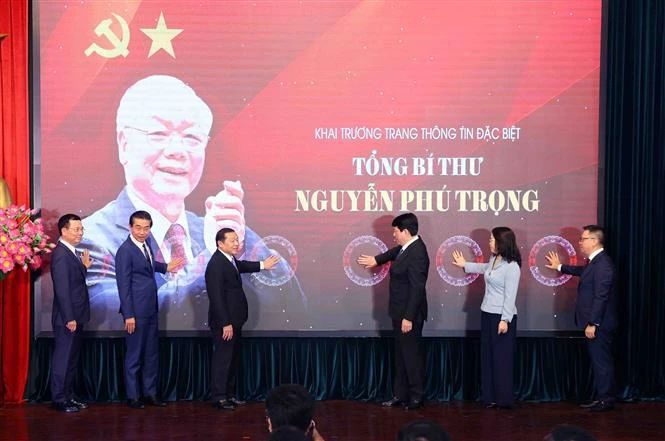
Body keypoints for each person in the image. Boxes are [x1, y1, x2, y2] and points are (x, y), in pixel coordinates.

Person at [79, 74, 306, 331]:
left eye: (191, 138)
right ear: (124, 144)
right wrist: (213, 255)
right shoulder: (91, 239)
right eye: (158, 133)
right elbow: (124, 316)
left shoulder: (217, 231)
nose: (178, 150)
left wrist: (237, 247)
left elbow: (295, 308)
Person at [357, 213, 429, 410]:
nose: (394, 235)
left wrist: (408, 317)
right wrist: (376, 259)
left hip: (409, 315)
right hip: (399, 312)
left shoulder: (418, 253)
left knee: (411, 355)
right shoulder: (408, 247)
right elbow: (395, 251)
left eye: (395, 232)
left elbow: (417, 288)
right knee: (401, 355)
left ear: (405, 231)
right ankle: (400, 394)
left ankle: (416, 397)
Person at [116, 210, 184, 408]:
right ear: (130, 227)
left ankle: (150, 393)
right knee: (135, 355)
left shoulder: (147, 245)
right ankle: (133, 396)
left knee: (151, 354)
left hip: (151, 309)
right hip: (135, 313)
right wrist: (128, 314)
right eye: (138, 227)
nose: (142, 232)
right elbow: (123, 284)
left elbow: (148, 264)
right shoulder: (125, 250)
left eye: (146, 228)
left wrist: (165, 267)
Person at [206, 228, 279, 410]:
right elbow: (216, 297)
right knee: (223, 359)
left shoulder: (229, 260)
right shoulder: (216, 264)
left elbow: (243, 266)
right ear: (220, 243)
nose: (236, 243)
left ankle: (229, 395)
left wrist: (263, 265)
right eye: (232, 240)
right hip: (225, 323)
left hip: (234, 321)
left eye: (237, 240)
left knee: (232, 358)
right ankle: (219, 397)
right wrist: (225, 323)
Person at [545, 225, 616, 412]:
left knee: (601, 361)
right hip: (594, 323)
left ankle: (606, 399)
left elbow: (602, 296)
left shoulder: (603, 265)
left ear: (594, 241)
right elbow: (582, 273)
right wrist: (560, 266)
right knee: (598, 360)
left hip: (599, 324)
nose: (580, 243)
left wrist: (593, 323)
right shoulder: (594, 263)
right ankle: (602, 397)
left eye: (583, 239)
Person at [452, 227, 521, 409]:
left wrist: (505, 320)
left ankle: (503, 399)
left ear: (502, 242)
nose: (489, 242)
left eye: (492, 239)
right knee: (488, 356)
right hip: (487, 313)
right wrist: (465, 265)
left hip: (502, 318)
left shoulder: (512, 266)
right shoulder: (494, 259)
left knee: (502, 359)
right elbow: (485, 269)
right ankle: (490, 397)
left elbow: (510, 295)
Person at [50, 214, 92, 412]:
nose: (80, 233)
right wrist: (69, 317)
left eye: (81, 229)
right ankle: (59, 399)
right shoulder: (60, 254)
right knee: (63, 359)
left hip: (76, 316)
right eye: (76, 229)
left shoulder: (71, 252)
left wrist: (83, 268)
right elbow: (62, 289)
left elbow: (74, 281)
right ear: (64, 231)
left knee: (72, 359)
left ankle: (68, 395)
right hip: (68, 318)